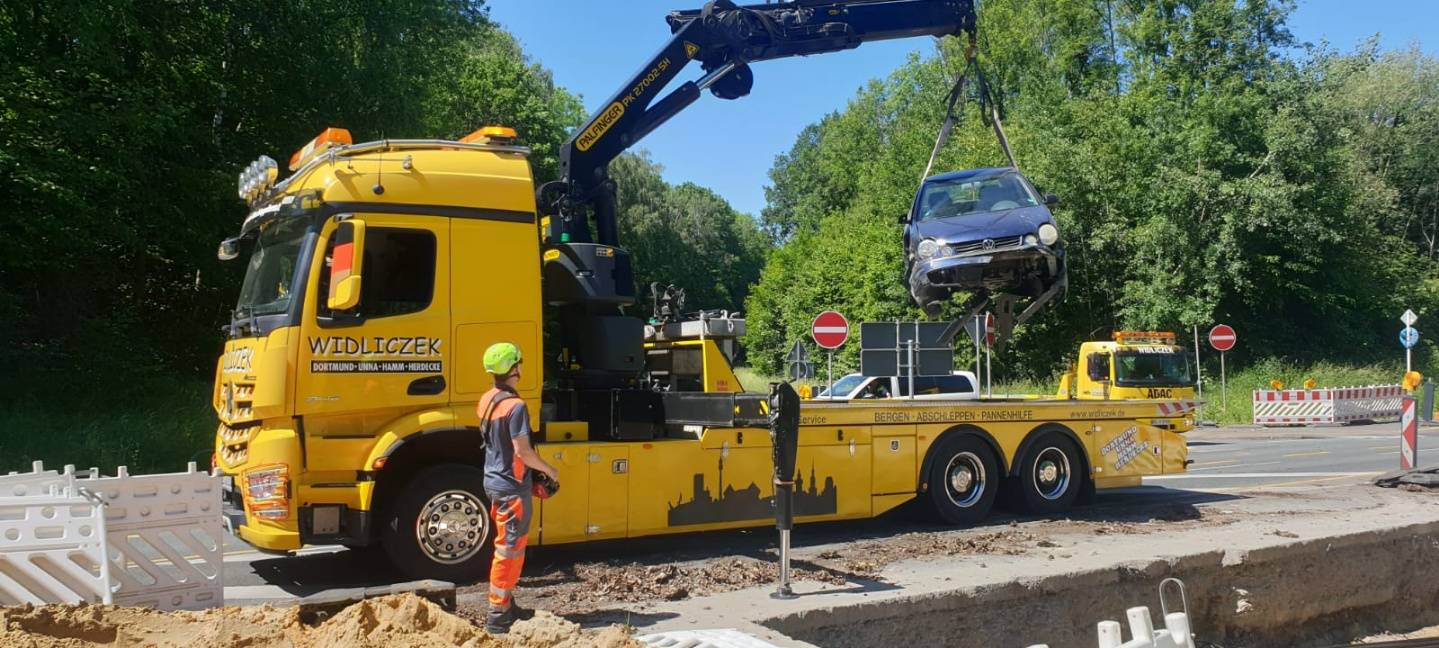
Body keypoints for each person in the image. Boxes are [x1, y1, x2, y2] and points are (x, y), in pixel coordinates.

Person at [477, 342, 560, 634]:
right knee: (510, 549)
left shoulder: (488, 399)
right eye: (519, 362)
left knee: (505, 544)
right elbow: (522, 452)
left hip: (494, 481)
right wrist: (549, 469)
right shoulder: (516, 406)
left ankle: (506, 604)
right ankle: (498, 615)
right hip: (512, 487)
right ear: (514, 368)